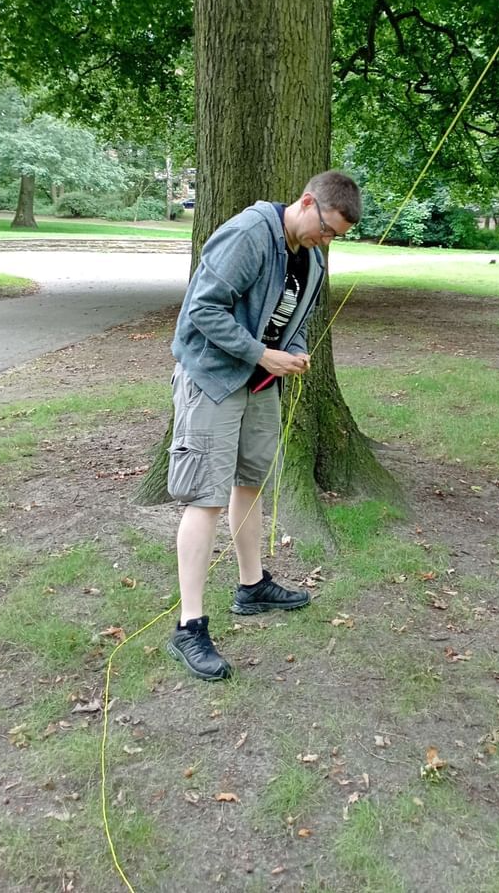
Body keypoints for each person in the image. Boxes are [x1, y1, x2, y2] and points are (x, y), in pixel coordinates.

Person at [166, 170, 362, 680]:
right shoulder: (249, 234)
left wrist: (293, 351)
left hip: (259, 384)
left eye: (337, 237)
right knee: (205, 497)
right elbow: (202, 308)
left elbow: (294, 319)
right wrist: (261, 354)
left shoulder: (311, 258)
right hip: (212, 378)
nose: (328, 241)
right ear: (307, 203)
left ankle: (251, 587)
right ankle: (189, 626)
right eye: (327, 229)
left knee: (250, 483)